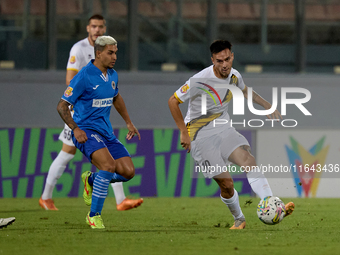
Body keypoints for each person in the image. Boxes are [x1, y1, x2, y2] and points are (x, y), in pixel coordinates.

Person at [168, 39, 294, 229]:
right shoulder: (199, 80)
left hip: (223, 129)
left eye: (227, 59)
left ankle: (271, 203)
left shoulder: (235, 76)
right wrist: (183, 133)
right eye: (219, 61)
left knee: (248, 160)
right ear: (212, 60)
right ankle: (239, 219)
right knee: (226, 184)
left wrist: (267, 105)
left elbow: (245, 91)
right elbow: (172, 101)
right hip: (200, 135)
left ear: (232, 56)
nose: (225, 64)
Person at [39, 14, 143, 211]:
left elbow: (115, 95)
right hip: (79, 114)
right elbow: (70, 82)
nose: (97, 30)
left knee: (109, 163)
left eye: (100, 26)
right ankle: (46, 197)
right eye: (94, 26)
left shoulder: (111, 68)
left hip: (99, 122)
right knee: (67, 155)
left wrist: (128, 121)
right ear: (88, 28)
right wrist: (82, 98)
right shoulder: (78, 49)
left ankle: (117, 198)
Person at [57, 35, 141, 229]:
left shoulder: (112, 75)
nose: (114, 57)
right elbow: (62, 106)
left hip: (106, 132)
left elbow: (116, 97)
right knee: (108, 166)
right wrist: (75, 129)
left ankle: (91, 179)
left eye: (116, 53)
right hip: (85, 131)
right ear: (99, 53)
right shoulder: (84, 77)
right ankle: (94, 216)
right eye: (110, 53)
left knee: (128, 172)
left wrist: (128, 122)